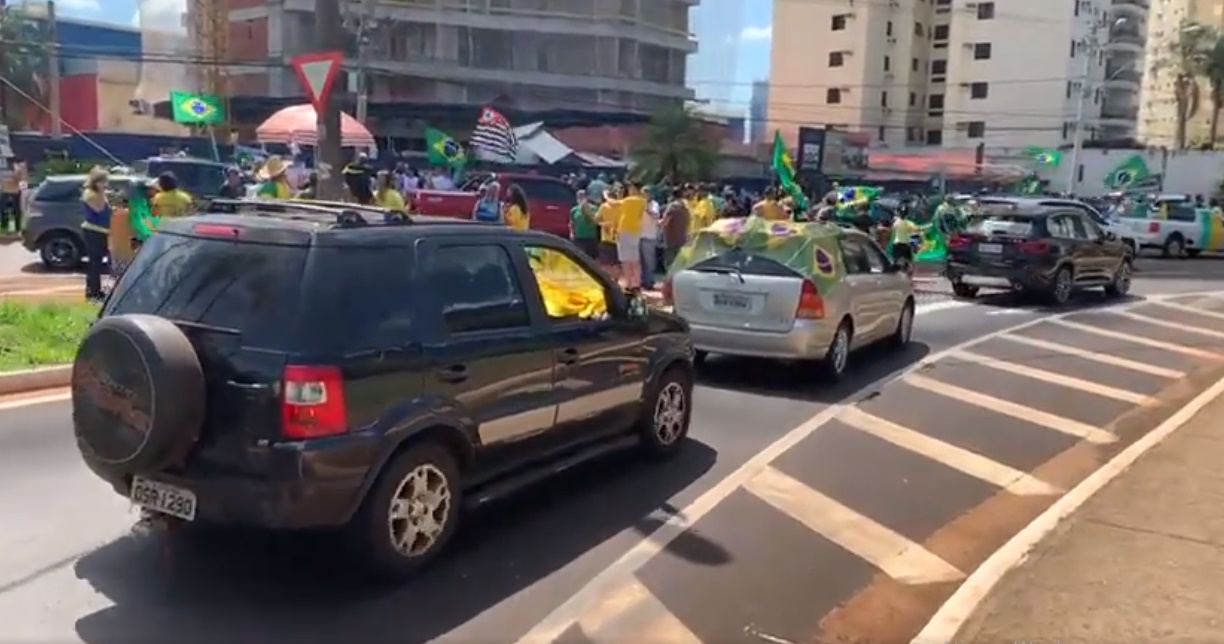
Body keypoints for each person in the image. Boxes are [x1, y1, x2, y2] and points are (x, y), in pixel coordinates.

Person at [80, 167, 111, 301]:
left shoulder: (98, 194)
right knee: (95, 263)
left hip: (103, 231)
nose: (106, 184)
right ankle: (93, 293)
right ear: (97, 182)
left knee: (100, 262)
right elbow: (99, 209)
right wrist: (102, 193)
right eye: (104, 181)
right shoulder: (90, 194)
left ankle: (95, 290)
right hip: (93, 231)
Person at [610, 181, 647, 289]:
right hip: (635, 231)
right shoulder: (642, 201)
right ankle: (636, 283)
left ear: (635, 189)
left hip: (625, 231)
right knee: (635, 260)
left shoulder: (630, 200)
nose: (629, 190)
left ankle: (629, 283)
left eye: (630, 188)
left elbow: (613, 203)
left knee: (625, 260)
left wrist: (606, 195)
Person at [660, 189, 690, 271]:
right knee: (680, 262)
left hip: (671, 239)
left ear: (672, 196)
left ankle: (671, 278)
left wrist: (656, 222)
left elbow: (665, 222)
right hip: (682, 238)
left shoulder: (672, 207)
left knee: (670, 262)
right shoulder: (686, 207)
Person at [595, 188, 621, 281]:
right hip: (619, 238)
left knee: (606, 263)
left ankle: (607, 281)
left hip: (606, 238)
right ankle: (616, 281)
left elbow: (596, 219)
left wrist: (603, 224)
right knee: (616, 263)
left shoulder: (604, 206)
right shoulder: (622, 206)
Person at [569, 188, 600, 260]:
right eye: (579, 196)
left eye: (582, 196)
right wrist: (572, 233)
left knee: (592, 258)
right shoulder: (574, 210)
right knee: (579, 258)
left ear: (586, 197)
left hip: (591, 237)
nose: (580, 198)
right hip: (579, 238)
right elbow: (571, 222)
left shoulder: (594, 208)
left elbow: (596, 221)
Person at [640, 189, 660, 289]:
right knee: (640, 262)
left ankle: (649, 282)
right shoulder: (638, 204)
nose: (644, 196)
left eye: (646, 194)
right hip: (638, 236)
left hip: (649, 237)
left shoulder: (654, 204)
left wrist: (646, 208)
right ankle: (642, 281)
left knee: (649, 262)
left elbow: (656, 215)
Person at [889, 210, 916, 276]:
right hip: (905, 244)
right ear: (906, 215)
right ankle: (909, 273)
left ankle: (893, 273)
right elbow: (914, 229)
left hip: (897, 243)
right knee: (909, 261)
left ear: (899, 214)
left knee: (895, 259)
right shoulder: (909, 223)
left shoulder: (896, 222)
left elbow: (892, 229)